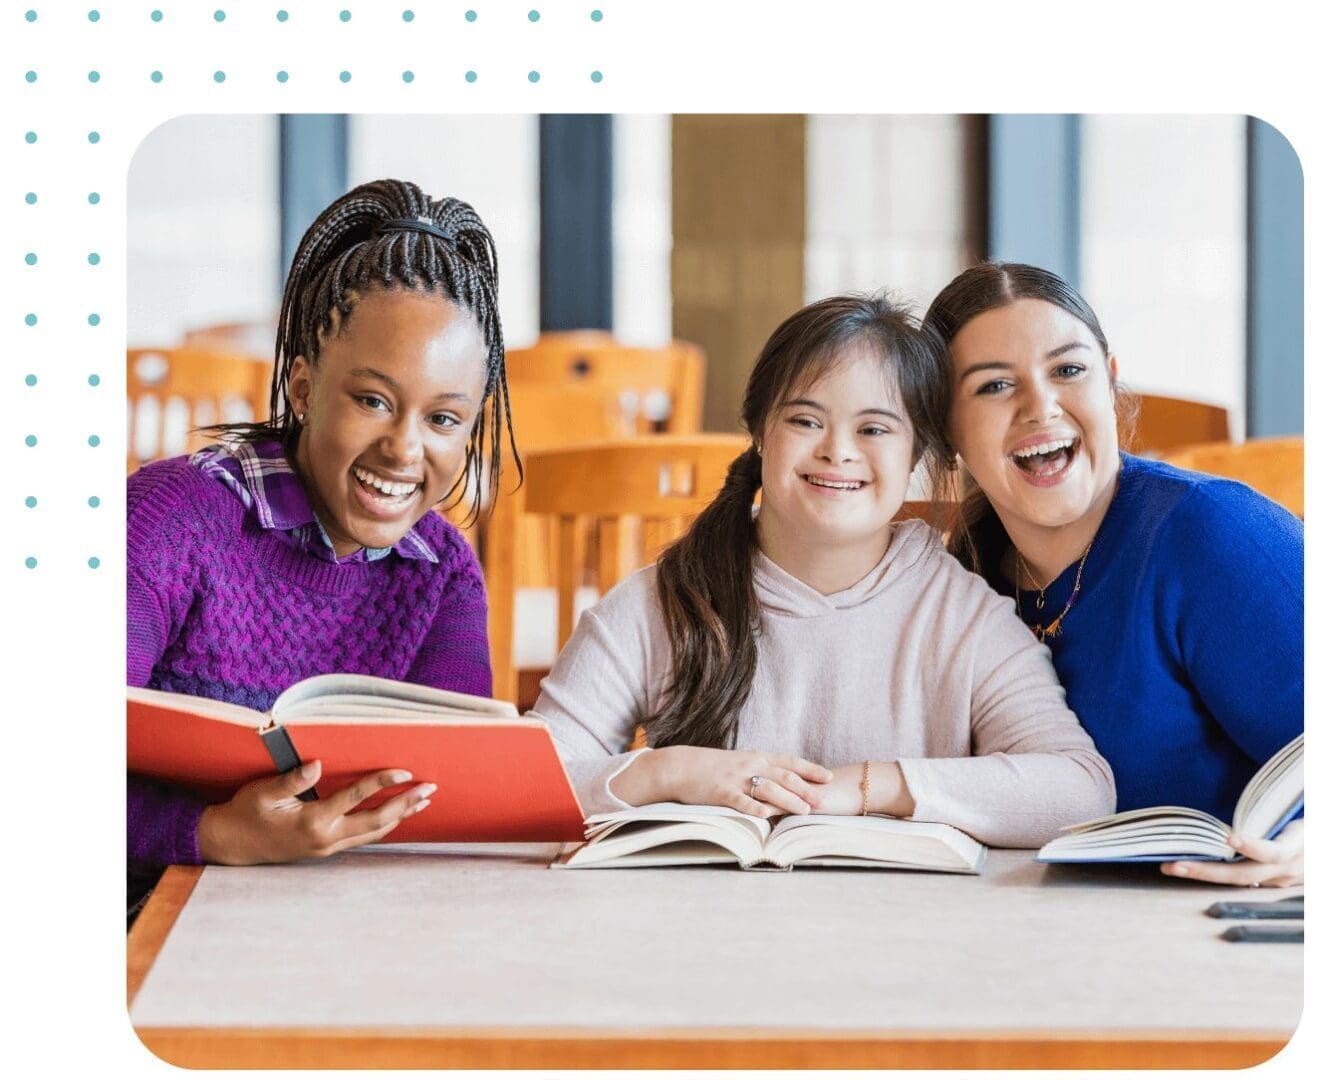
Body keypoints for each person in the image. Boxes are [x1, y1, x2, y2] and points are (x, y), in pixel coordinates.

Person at [532, 294, 1114, 847]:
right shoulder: (664, 598)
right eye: (806, 421)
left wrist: (869, 786)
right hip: (704, 937)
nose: (838, 451)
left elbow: (1080, 790)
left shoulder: (962, 615)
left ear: (915, 453)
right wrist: (669, 773)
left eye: (874, 429)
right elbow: (527, 783)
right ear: (760, 433)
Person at [128, 179, 514, 896]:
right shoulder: (169, 521)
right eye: (372, 401)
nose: (404, 450)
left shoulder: (442, 574)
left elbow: (447, 811)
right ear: (302, 389)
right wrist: (214, 832)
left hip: (339, 919)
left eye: (443, 419)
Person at [925, 262, 1303, 886]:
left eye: (1068, 371)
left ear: (1111, 382)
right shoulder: (961, 576)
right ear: (946, 429)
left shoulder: (1208, 530)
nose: (1040, 407)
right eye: (994, 386)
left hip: (1223, 929)